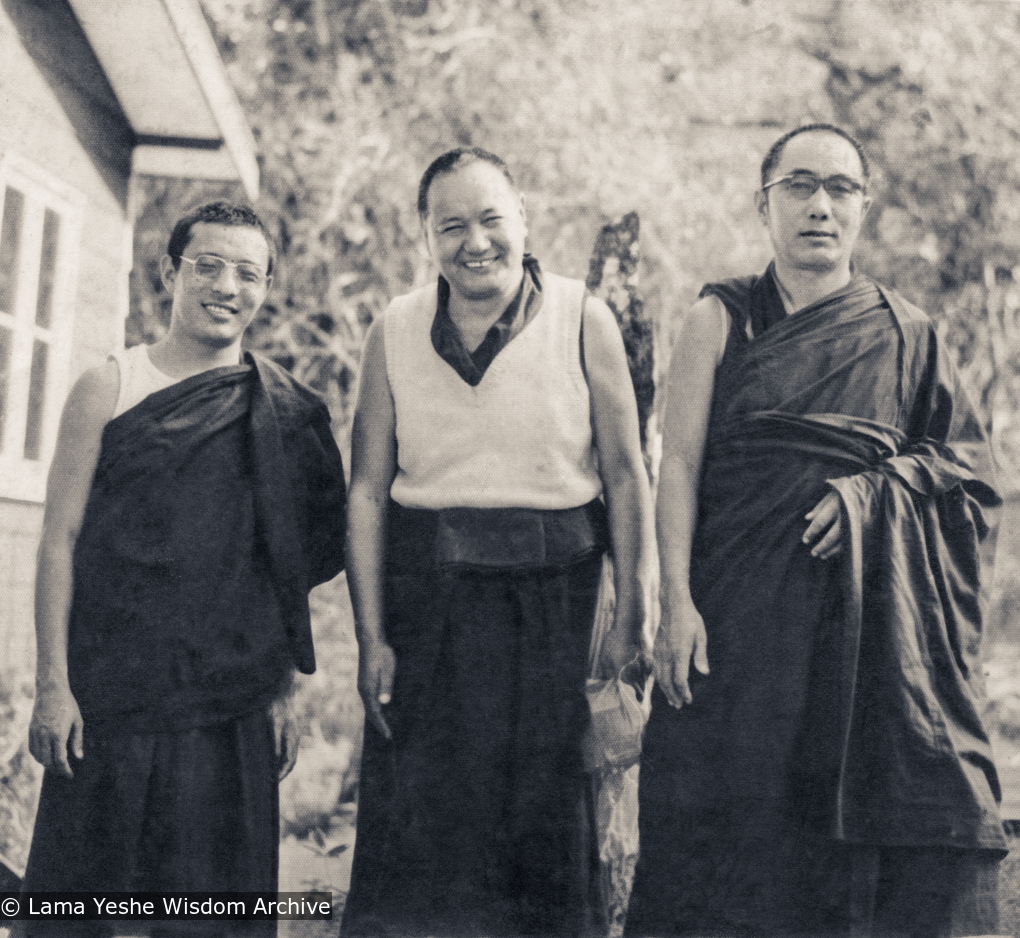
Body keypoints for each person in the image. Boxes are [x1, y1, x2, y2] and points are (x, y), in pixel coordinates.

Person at [625, 124, 1007, 938]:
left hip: (865, 634)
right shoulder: (718, 318)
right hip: (735, 622)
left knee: (851, 831)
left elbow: (966, 470)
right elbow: (678, 464)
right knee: (726, 828)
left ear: (864, 207)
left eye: (840, 188)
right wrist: (675, 604)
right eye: (798, 185)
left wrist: (875, 493)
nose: (819, 206)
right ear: (763, 205)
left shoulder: (906, 333)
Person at [342, 147, 655, 938]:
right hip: (428, 610)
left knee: (546, 837)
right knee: (423, 841)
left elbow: (626, 473)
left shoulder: (583, 316)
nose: (475, 242)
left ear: (524, 219)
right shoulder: (394, 328)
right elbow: (367, 490)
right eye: (451, 226)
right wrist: (371, 636)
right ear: (425, 236)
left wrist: (633, 613)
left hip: (557, 609)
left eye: (490, 219)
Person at [21, 202, 347, 936]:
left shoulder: (282, 411)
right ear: (171, 272)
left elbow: (284, 570)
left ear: (266, 288)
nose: (226, 286)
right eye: (208, 265)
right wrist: (53, 686)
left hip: (232, 705)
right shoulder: (109, 386)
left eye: (247, 273)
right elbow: (58, 541)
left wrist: (283, 691)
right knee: (84, 909)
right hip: (112, 694)